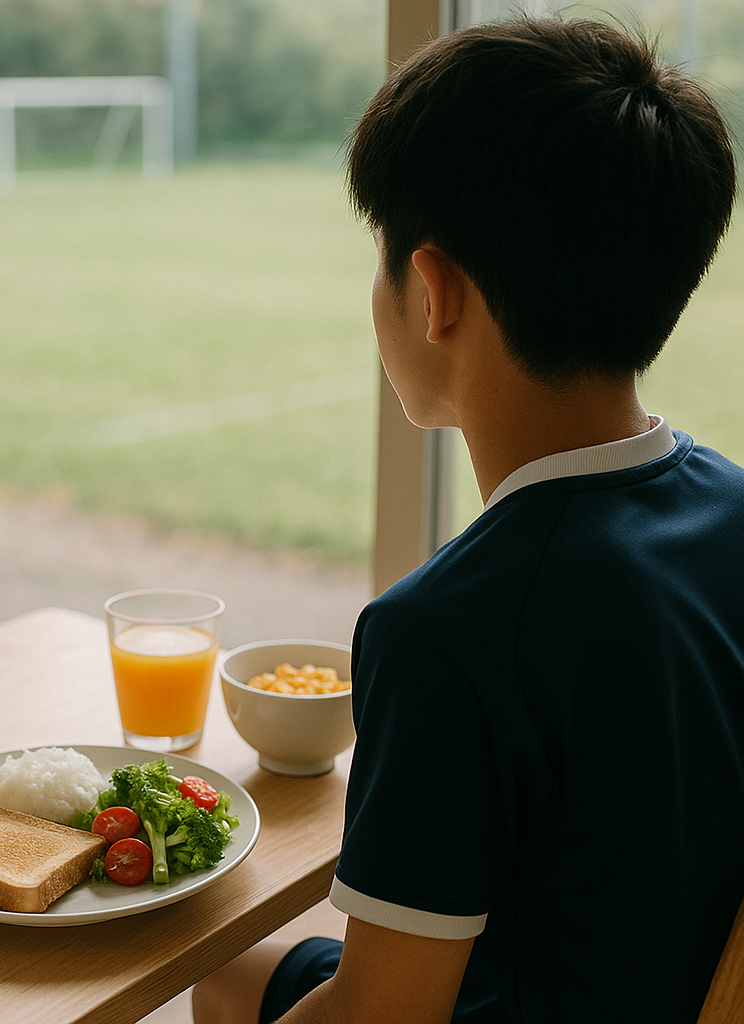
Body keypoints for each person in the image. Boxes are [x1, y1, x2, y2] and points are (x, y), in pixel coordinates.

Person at [192, 15, 744, 1024]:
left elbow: (380, 1016)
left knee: (213, 979)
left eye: (382, 256)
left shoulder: (448, 631)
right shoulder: (733, 507)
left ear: (434, 292)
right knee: (236, 971)